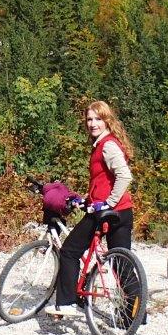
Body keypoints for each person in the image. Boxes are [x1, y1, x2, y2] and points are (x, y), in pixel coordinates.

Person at [53, 101, 135, 316]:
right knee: (121, 263)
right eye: (89, 119)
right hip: (124, 211)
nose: (92, 123)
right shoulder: (106, 143)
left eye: (98, 119)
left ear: (107, 120)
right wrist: (88, 200)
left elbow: (124, 176)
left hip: (107, 212)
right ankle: (134, 314)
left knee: (69, 252)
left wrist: (108, 202)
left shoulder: (107, 145)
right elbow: (103, 181)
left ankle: (68, 303)